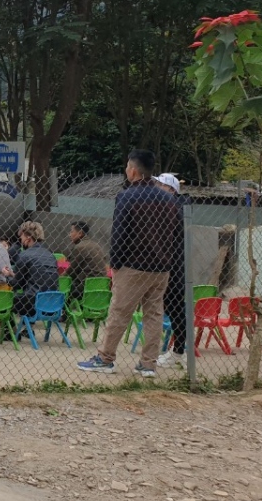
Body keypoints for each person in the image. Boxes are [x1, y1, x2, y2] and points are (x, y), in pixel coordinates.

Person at [78, 150, 180, 376]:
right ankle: (148, 364)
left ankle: (105, 358)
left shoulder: (127, 196)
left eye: (127, 167)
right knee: (153, 315)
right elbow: (175, 235)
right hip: (161, 267)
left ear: (133, 170)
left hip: (133, 265)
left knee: (119, 312)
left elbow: (120, 232)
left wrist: (115, 263)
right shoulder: (170, 200)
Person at [152, 175, 190, 369]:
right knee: (172, 308)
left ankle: (179, 350)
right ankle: (179, 349)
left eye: (161, 185)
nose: (157, 187)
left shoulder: (174, 208)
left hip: (172, 266)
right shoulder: (171, 207)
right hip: (167, 263)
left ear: (171, 190)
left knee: (175, 308)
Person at [7, 220, 59, 321]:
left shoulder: (25, 255)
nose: (20, 240)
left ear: (28, 238)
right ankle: (27, 328)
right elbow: (35, 277)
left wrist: (6, 276)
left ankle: (8, 333)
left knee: (9, 298)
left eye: (21, 237)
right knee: (29, 293)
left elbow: (17, 285)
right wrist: (14, 275)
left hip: (33, 302)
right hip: (53, 302)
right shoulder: (50, 255)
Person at [66, 220, 107, 299]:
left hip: (84, 287)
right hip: (101, 286)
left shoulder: (79, 247)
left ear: (80, 233)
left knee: (62, 286)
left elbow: (71, 272)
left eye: (71, 232)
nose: (69, 235)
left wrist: (58, 279)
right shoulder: (96, 245)